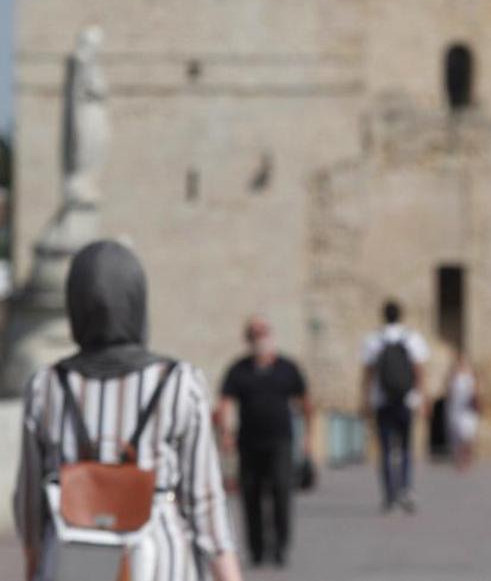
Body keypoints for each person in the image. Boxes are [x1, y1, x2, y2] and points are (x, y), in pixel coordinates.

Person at [14, 240, 242, 581]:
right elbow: (205, 504)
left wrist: (33, 564)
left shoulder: (46, 386)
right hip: (159, 563)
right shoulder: (179, 383)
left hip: (71, 561)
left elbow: (30, 504)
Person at [218, 316, 314, 568]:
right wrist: (226, 433)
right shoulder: (239, 370)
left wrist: (308, 440)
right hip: (249, 444)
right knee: (251, 497)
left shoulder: (287, 368)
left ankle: (280, 547)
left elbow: (305, 404)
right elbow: (225, 401)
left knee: (282, 494)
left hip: (280, 442)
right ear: (247, 339)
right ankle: (257, 549)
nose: (259, 338)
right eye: (254, 333)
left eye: (262, 332)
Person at [360, 299, 429, 513]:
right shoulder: (412, 338)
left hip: (382, 401)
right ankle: (406, 489)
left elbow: (368, 374)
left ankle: (389, 495)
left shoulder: (373, 340)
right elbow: (419, 371)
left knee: (386, 449)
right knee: (406, 447)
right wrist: (422, 399)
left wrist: (364, 400)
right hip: (406, 401)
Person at [445, 349, 480, 471]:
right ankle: (459, 460)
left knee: (468, 435)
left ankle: (467, 459)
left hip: (468, 410)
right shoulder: (453, 374)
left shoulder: (472, 373)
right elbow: (449, 391)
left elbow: (477, 390)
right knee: (458, 436)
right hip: (456, 409)